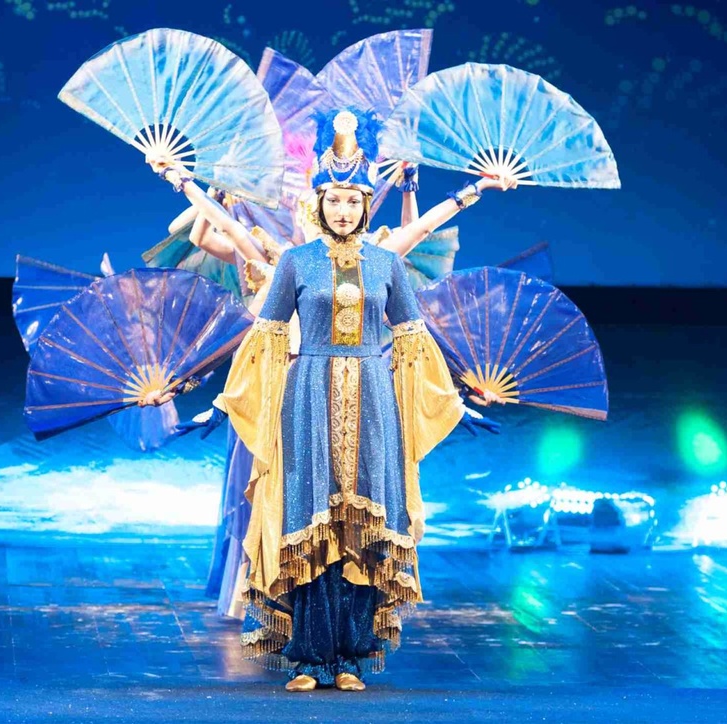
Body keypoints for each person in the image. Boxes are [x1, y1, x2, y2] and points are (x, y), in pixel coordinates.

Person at [152, 108, 512, 691]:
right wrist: (219, 403)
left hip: (373, 401)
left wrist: (453, 399)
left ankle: (349, 657)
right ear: (318, 203)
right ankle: (308, 657)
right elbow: (265, 338)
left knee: (363, 526)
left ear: (365, 205)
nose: (343, 210)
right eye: (334, 200)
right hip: (308, 398)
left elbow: (414, 339)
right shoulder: (296, 262)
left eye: (352, 201)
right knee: (310, 523)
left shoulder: (386, 263)